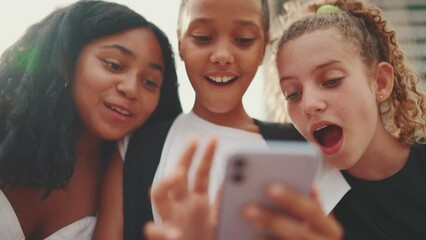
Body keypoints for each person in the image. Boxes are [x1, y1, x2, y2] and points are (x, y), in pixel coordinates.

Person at [145, 0, 426, 239]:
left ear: (380, 82)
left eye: (331, 80)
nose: (309, 105)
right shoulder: (293, 196)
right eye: (293, 94)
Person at [94, 0, 349, 239]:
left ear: (263, 49)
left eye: (244, 39)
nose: (223, 55)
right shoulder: (137, 148)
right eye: (203, 37)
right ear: (180, 42)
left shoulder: (301, 149)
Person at [0, 1, 181, 239]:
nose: (131, 89)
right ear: (67, 62)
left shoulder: (134, 176)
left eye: (150, 82)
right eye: (114, 65)